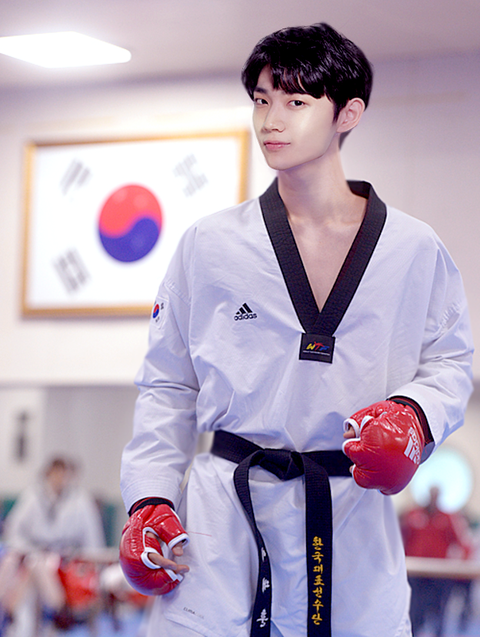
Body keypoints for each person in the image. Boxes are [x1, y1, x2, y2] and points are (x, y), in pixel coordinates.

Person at [119, 23, 474, 637]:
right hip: (224, 522)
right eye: (261, 100)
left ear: (348, 114)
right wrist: (149, 500)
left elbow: (450, 363)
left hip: (351, 514)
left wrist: (414, 417)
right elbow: (168, 387)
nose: (271, 121)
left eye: (296, 101)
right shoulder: (210, 245)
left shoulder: (412, 248)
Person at [1, 456, 105, 634]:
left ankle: (57, 610)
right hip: (35, 553)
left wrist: (94, 566)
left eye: (64, 474)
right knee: (17, 563)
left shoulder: (81, 500)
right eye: (56, 473)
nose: (60, 478)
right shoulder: (33, 496)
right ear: (48, 474)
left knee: (35, 566)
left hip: (66, 559)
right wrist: (26, 549)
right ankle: (15, 612)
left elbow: (93, 539)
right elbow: (14, 530)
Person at [401, 486, 474, 636]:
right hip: (416, 572)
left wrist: (463, 564)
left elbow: (461, 543)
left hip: (438, 573)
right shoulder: (413, 515)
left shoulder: (447, 518)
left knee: (439, 611)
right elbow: (402, 539)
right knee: (414, 609)